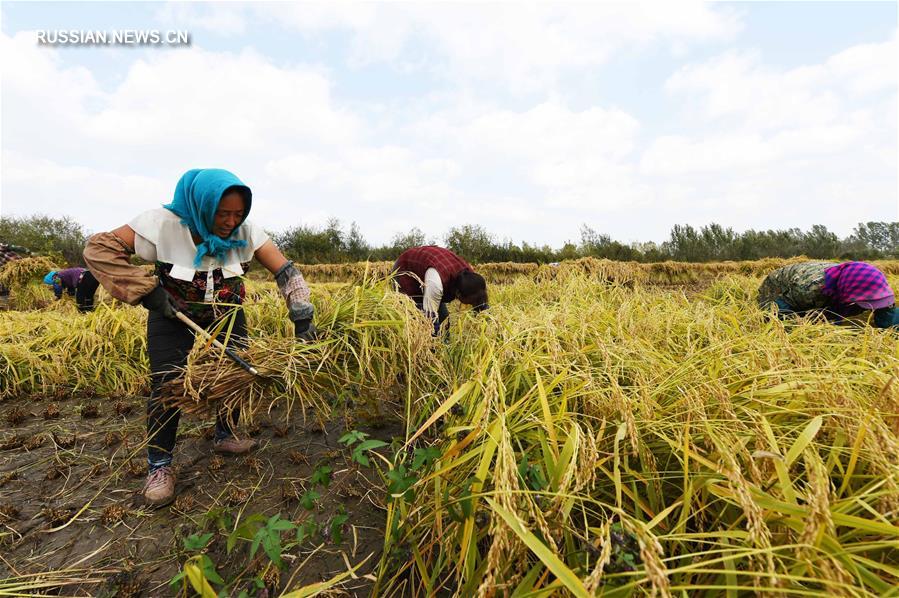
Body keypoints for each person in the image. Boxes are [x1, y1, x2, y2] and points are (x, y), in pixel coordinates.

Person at [84, 168, 316, 506]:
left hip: (227, 312)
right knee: (167, 383)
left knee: (236, 374)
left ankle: (226, 433)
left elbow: (286, 271)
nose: (230, 221)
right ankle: (159, 467)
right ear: (202, 205)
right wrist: (146, 291)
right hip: (172, 314)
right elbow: (99, 249)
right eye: (222, 213)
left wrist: (302, 316)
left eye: (238, 213)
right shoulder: (160, 224)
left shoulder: (247, 232)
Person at [758, 261, 899, 328]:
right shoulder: (809, 289)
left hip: (837, 284)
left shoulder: (875, 283)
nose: (871, 306)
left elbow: (886, 308)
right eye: (867, 302)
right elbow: (786, 305)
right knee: (786, 319)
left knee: (886, 313)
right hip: (779, 287)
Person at [392, 245, 488, 336]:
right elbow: (430, 318)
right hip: (405, 269)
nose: (471, 304)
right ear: (458, 294)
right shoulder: (436, 284)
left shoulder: (470, 277)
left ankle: (444, 343)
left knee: (443, 318)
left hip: (431, 269)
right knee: (417, 316)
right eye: (470, 302)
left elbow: (481, 303)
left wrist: (485, 321)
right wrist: (434, 343)